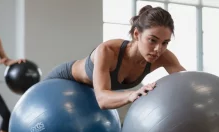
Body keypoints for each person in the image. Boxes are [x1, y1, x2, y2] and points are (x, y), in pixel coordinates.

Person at [45, 5, 186, 109]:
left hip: (87, 96)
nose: (158, 49)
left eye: (165, 43)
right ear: (137, 34)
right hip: (63, 81)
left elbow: (188, 83)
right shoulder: (108, 51)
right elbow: (102, 99)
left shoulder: (164, 57)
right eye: (152, 40)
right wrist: (131, 94)